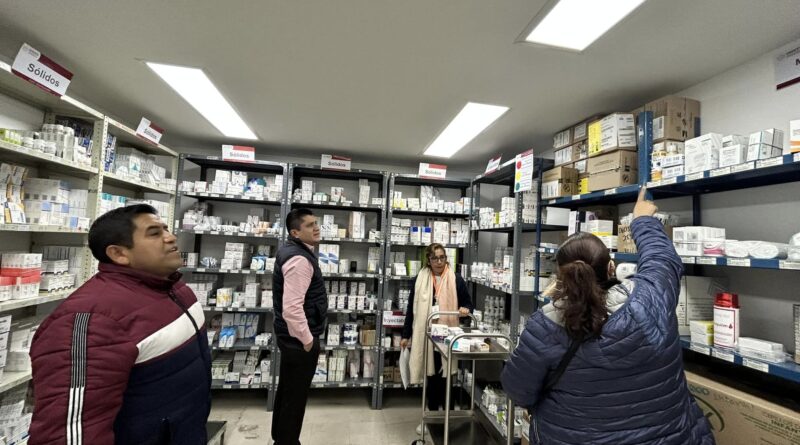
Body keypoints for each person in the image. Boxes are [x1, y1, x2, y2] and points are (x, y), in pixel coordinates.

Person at [501, 188, 715, 444]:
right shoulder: (650, 300)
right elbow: (662, 260)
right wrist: (642, 220)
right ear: (611, 267)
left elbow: (518, 391)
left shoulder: (544, 327)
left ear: (561, 278)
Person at [29, 204, 211, 445]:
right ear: (118, 254)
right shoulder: (91, 319)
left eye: (166, 229)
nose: (171, 237)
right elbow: (70, 432)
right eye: (154, 233)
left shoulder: (175, 289)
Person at [400, 243, 472, 431]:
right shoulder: (420, 279)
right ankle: (430, 418)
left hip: (447, 336)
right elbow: (411, 309)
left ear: (446, 258)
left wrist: (465, 309)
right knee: (431, 378)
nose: (439, 262)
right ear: (428, 260)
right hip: (428, 336)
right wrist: (406, 334)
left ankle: (448, 419)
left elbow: (467, 303)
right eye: (435, 258)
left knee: (447, 379)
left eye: (442, 257)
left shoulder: (456, 279)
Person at [271, 208, 326, 445]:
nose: (316, 228)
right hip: (299, 340)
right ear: (295, 232)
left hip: (291, 337)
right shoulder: (300, 259)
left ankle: (280, 438)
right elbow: (292, 308)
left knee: (288, 392)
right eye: (310, 225)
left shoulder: (295, 251)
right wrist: (308, 340)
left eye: (316, 223)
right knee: (295, 398)